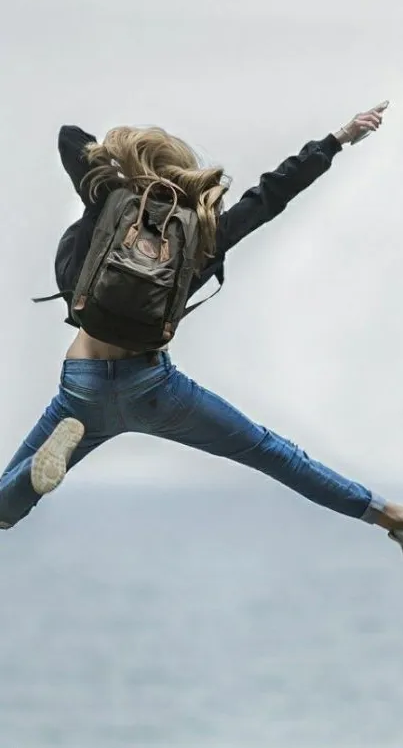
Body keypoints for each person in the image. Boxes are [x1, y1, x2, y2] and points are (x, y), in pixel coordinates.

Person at [2, 104, 403, 555]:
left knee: (4, 509)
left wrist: (124, 169)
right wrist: (337, 140)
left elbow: (69, 137)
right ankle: (389, 515)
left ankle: (31, 477)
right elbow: (272, 194)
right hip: (154, 388)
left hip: (83, 388)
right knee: (273, 454)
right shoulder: (205, 232)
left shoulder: (108, 203)